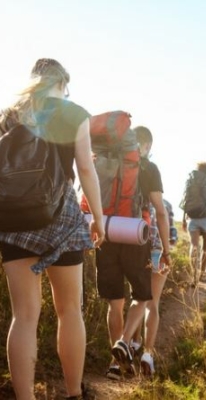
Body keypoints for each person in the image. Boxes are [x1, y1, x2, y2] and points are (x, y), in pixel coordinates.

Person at [0, 58, 105, 400]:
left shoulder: (9, 116)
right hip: (61, 217)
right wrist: (99, 219)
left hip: (13, 221)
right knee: (69, 309)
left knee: (24, 315)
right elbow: (87, 172)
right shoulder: (73, 114)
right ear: (63, 83)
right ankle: (74, 393)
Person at [96, 125, 171, 380]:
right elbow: (160, 211)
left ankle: (115, 365)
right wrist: (167, 250)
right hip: (135, 234)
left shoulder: (108, 161)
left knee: (115, 303)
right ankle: (125, 342)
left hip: (107, 233)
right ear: (147, 145)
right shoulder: (148, 167)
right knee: (142, 296)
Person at [130, 198, 177, 377]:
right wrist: (167, 253)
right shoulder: (164, 204)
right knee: (152, 303)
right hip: (158, 252)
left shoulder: (134, 200)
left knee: (137, 298)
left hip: (135, 252)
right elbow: (172, 237)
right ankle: (148, 353)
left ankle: (134, 342)